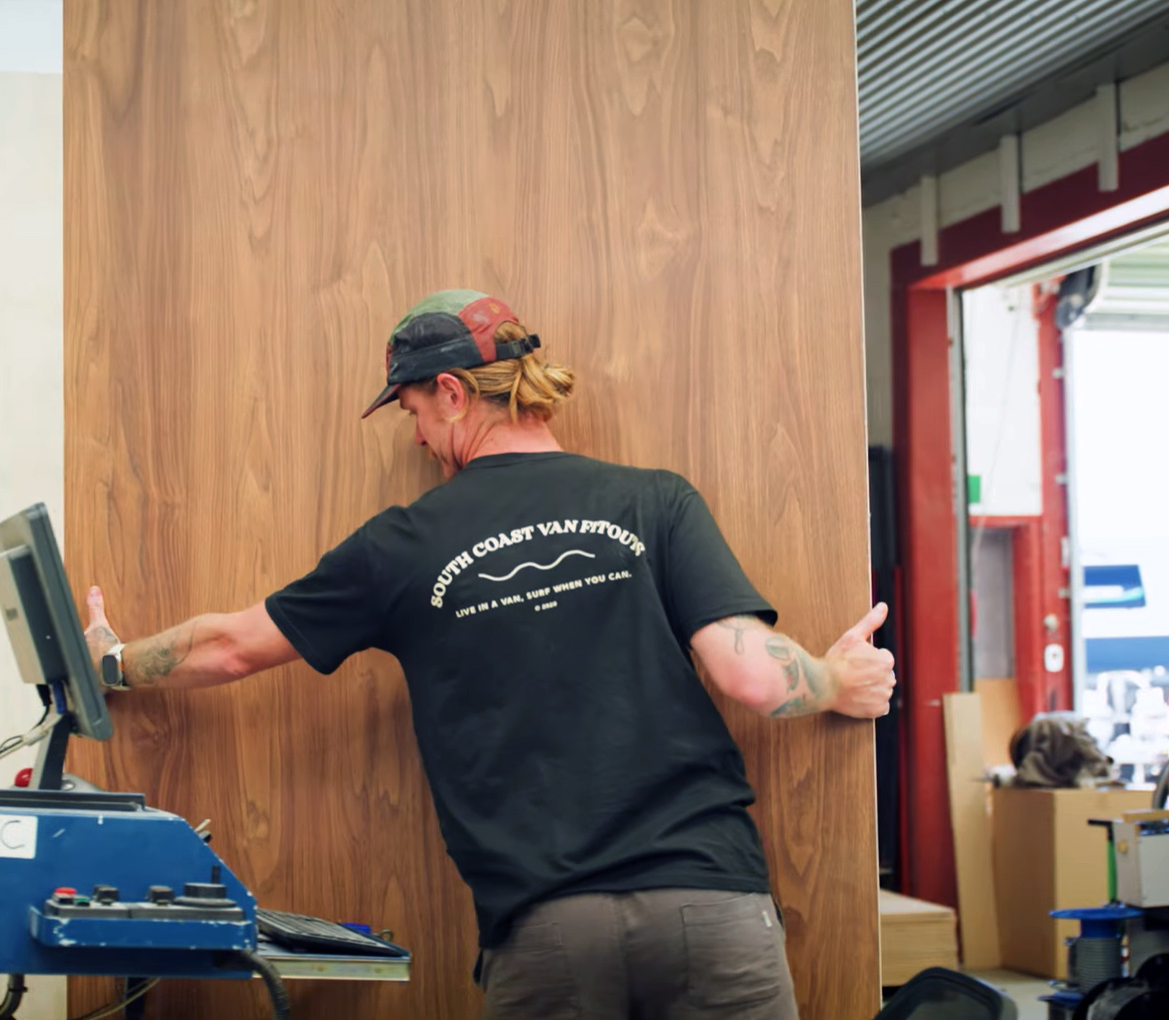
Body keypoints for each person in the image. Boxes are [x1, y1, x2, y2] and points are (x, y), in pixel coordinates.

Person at [82, 289, 896, 1020]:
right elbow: (751, 673)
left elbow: (228, 648)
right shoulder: (654, 499)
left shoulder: (403, 545)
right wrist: (835, 680)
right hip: (710, 908)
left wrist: (110, 663)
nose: (421, 435)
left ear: (453, 391)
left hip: (547, 932)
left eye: (412, 411)